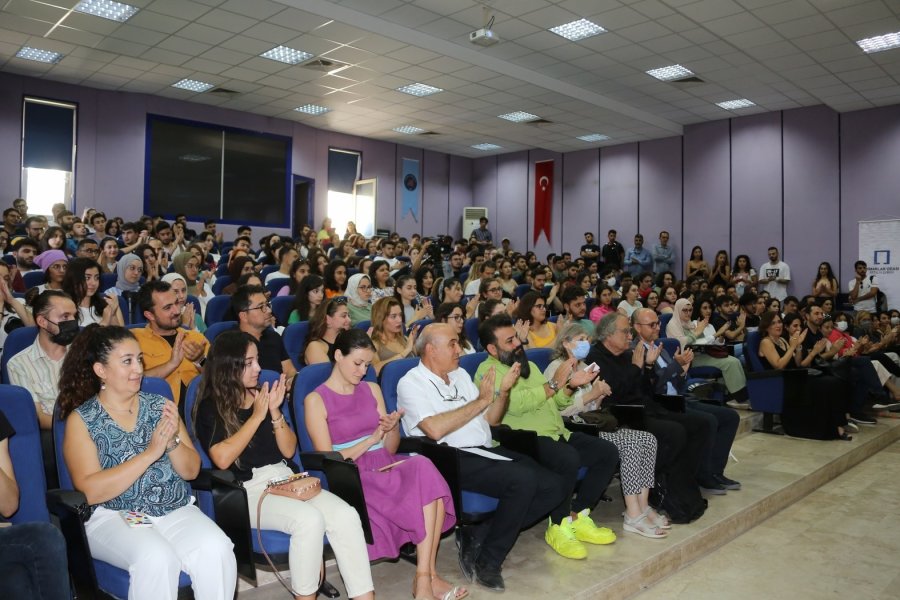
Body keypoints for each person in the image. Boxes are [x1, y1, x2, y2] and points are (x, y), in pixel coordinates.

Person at [59, 325, 236, 600]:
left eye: (139, 359)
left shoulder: (160, 405)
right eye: (127, 361)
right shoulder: (82, 420)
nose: (138, 369)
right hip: (113, 515)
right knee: (156, 557)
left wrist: (172, 443)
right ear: (101, 370)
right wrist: (149, 454)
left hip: (172, 509)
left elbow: (191, 471)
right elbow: (90, 491)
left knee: (218, 547)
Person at [193, 331, 373, 600]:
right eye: (250, 362)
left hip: (286, 479)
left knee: (346, 515)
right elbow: (221, 458)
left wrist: (275, 411)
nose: (258, 368)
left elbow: (289, 450)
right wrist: (257, 416)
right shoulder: (211, 405)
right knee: (308, 520)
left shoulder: (263, 395)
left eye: (257, 360)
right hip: (247, 491)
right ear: (230, 366)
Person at [398, 323, 565, 592]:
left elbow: (491, 419)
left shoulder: (460, 374)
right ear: (430, 349)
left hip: (484, 449)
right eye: (452, 344)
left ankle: (481, 533)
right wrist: (482, 400)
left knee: (554, 485)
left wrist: (503, 393)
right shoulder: (411, 383)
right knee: (522, 480)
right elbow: (434, 429)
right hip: (449, 458)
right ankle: (488, 560)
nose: (459, 349)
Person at [305, 329, 464, 600]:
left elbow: (390, 448)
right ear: (337, 355)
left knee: (424, 468)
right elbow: (329, 460)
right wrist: (372, 439)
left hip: (384, 463)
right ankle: (428, 580)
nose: (363, 371)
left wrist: (391, 429)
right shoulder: (316, 400)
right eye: (357, 363)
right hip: (352, 475)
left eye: (367, 364)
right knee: (425, 479)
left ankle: (425, 578)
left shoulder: (372, 388)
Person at [475, 314, 619, 558]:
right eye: (509, 341)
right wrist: (553, 384)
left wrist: (571, 386)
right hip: (522, 438)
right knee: (567, 458)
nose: (517, 344)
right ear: (492, 348)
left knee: (606, 452)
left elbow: (557, 404)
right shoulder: (487, 371)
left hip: (555, 431)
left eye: (516, 338)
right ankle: (558, 525)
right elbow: (515, 405)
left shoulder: (525, 364)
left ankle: (579, 515)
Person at [544, 323, 668, 538]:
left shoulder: (584, 366)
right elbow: (558, 409)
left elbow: (591, 408)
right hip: (573, 427)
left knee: (647, 439)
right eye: (580, 338)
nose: (586, 343)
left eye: (587, 339)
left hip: (592, 422)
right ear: (565, 343)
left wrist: (598, 396)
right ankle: (632, 513)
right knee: (629, 445)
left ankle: (643, 504)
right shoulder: (557, 367)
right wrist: (591, 396)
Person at [586, 314, 709, 524]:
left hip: (643, 408)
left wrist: (649, 367)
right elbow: (612, 393)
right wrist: (636, 368)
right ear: (608, 335)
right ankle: (654, 485)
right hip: (621, 415)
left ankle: (678, 482)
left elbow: (645, 389)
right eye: (626, 332)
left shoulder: (626, 355)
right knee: (675, 432)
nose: (630, 336)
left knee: (700, 424)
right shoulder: (595, 358)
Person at [633, 308, 742, 493]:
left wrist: (682, 370)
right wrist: (676, 365)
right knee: (708, 421)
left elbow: (676, 381)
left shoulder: (659, 346)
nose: (657, 327)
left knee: (730, 416)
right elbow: (652, 387)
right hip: (663, 404)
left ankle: (716, 471)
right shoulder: (635, 352)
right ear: (637, 327)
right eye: (652, 325)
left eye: (658, 323)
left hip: (679, 397)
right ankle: (703, 475)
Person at [757, 311, 851, 440]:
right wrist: (792, 347)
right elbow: (778, 365)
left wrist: (798, 347)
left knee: (834, 381)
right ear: (766, 326)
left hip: (795, 376)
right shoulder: (766, 342)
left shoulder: (783, 340)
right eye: (773, 323)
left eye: (779, 321)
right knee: (827, 384)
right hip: (782, 381)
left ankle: (838, 424)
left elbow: (797, 363)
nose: (778, 325)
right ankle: (831, 428)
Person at [8, 290, 78, 430]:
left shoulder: (83, 354)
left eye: (74, 316)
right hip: (52, 435)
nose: (72, 322)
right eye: (65, 316)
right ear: (42, 321)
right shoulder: (19, 364)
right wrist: (77, 427)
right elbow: (38, 418)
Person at [132, 281, 208, 408]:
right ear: (149, 315)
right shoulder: (134, 341)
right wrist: (171, 364)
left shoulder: (195, 337)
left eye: (177, 303)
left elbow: (219, 379)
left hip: (201, 411)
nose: (177, 310)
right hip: (157, 415)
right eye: (168, 308)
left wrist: (200, 360)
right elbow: (129, 380)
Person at [665, 298, 749, 408]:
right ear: (678, 310)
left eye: (690, 310)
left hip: (701, 353)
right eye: (685, 310)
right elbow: (680, 343)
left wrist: (715, 336)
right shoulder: (672, 325)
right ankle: (739, 399)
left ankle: (736, 396)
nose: (688, 313)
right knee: (730, 362)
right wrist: (697, 333)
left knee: (735, 360)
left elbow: (702, 341)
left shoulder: (691, 324)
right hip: (688, 359)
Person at [233, 284, 297, 379]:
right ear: (244, 316)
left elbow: (289, 370)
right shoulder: (230, 344)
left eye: (267, 305)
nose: (269, 310)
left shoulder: (273, 337)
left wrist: (290, 381)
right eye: (261, 307)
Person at [62, 257, 123, 327]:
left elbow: (122, 336)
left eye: (96, 278)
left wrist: (113, 315)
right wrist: (104, 322)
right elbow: (71, 337)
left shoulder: (108, 303)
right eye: (87, 278)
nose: (93, 283)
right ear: (74, 280)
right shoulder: (64, 309)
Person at [370, 297, 417, 374]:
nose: (399, 320)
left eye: (400, 315)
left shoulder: (405, 339)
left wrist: (413, 343)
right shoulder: (374, 344)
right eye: (393, 316)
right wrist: (405, 352)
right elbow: (375, 371)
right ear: (380, 319)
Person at [303, 297, 352, 365]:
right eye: (344, 316)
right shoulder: (315, 347)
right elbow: (326, 375)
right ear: (328, 320)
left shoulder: (348, 340)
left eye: (348, 315)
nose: (349, 320)